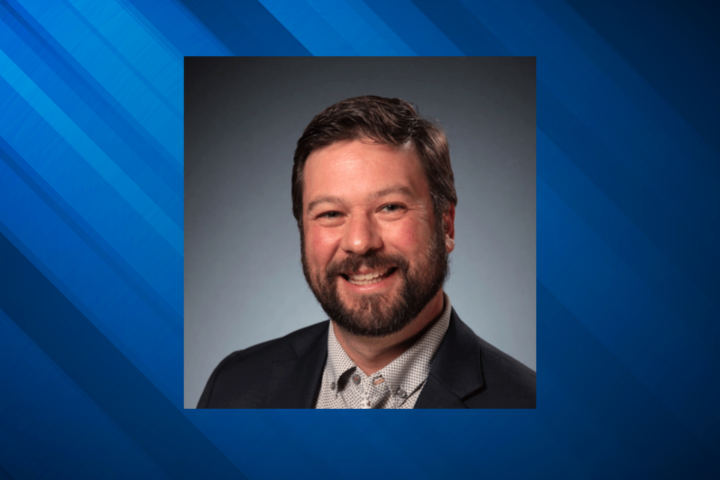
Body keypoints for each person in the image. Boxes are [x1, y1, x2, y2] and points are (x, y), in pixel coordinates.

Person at [197, 96, 535, 409]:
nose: (360, 242)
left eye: (390, 207)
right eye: (331, 213)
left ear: (446, 224)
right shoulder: (233, 388)